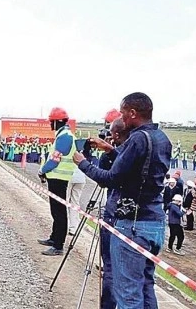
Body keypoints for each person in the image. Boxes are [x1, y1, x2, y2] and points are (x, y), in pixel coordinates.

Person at [73, 92, 170, 309]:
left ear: (133, 113)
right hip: (154, 222)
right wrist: (112, 150)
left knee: (128, 294)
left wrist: (83, 163)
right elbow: (139, 171)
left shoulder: (136, 139)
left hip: (132, 225)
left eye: (123, 112)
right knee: (146, 286)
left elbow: (110, 179)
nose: (122, 117)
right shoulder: (161, 138)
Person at [88, 116, 129, 309]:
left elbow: (105, 178)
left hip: (116, 213)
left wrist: (83, 162)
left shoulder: (125, 152)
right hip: (135, 217)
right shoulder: (141, 146)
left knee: (111, 268)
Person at [37, 107, 77, 256]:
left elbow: (55, 159)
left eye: (51, 122)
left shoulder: (65, 136)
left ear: (57, 122)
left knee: (59, 211)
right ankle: (54, 238)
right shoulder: (63, 135)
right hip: (56, 178)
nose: (50, 125)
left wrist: (42, 170)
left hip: (59, 178)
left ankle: (58, 245)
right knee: (56, 210)